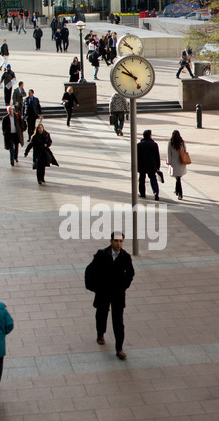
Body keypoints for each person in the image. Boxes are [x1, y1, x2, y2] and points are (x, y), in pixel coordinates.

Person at [85, 232, 135, 360]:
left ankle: (119, 348)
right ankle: (100, 333)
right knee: (101, 314)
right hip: (103, 292)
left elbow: (130, 273)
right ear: (111, 241)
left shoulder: (125, 257)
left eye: (121, 241)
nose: (118, 244)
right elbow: (90, 271)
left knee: (118, 321)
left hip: (118, 294)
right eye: (116, 241)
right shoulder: (101, 255)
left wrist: (124, 285)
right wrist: (94, 287)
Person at [137, 129, 161, 201]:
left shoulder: (139, 145)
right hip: (152, 165)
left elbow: (136, 157)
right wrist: (158, 166)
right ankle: (155, 192)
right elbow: (157, 156)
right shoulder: (154, 144)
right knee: (153, 179)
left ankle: (142, 193)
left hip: (142, 165)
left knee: (142, 179)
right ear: (150, 135)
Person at [167, 130, 188, 200]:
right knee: (178, 177)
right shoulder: (181, 142)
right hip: (181, 161)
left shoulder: (171, 142)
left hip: (174, 162)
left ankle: (180, 193)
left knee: (178, 178)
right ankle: (177, 191)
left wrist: (169, 162)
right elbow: (185, 150)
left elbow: (169, 153)